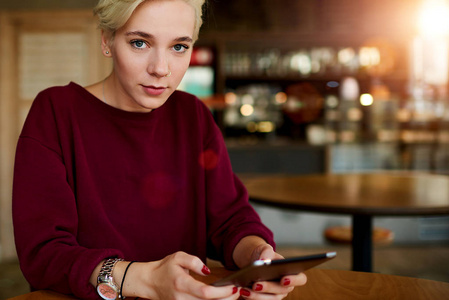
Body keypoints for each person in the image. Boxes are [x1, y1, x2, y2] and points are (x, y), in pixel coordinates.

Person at [12, 0, 307, 299]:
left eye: (179, 47)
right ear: (107, 40)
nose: (161, 69)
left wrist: (258, 255)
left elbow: (230, 219)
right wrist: (145, 279)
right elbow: (43, 254)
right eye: (139, 43)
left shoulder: (194, 115)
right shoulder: (55, 113)